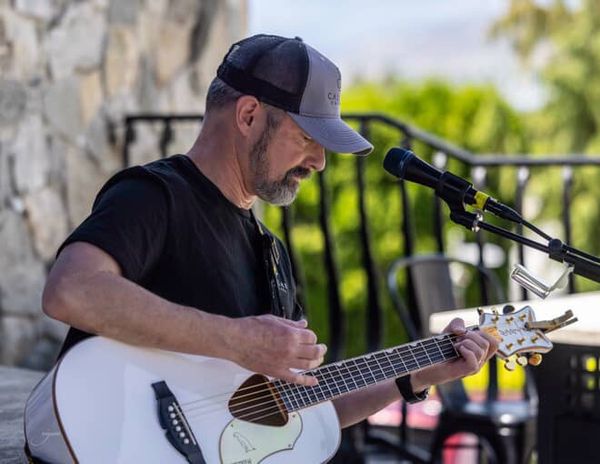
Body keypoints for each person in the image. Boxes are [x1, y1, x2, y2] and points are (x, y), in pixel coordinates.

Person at [42, 34, 498, 433]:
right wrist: (238, 340)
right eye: (307, 138)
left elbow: (303, 405)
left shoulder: (270, 253)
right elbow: (70, 291)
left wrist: (418, 375)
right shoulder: (154, 195)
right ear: (248, 116)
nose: (319, 162)